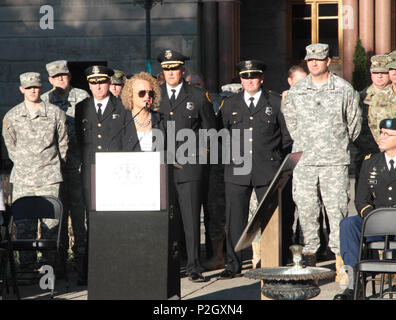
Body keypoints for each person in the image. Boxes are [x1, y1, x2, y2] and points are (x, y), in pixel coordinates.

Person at [282, 43, 361, 271]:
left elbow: (354, 125)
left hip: (334, 162)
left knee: (337, 211)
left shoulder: (344, 89)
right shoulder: (297, 91)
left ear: (328, 61)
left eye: (318, 59)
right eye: (310, 60)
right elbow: (292, 123)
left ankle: (341, 263)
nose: (314, 63)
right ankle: (309, 260)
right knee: (306, 211)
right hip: (305, 162)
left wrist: (334, 143)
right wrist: (309, 144)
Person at [219, 59, 292, 279]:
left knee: (271, 218)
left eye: (253, 76)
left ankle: (275, 260)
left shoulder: (276, 102)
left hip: (267, 168)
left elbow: (286, 138)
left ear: (261, 78)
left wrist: (277, 162)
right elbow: (221, 135)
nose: (249, 81)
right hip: (237, 169)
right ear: (240, 79)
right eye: (245, 77)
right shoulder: (230, 104)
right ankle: (234, 264)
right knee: (235, 219)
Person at [157, 48, 217, 282]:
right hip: (161, 166)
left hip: (190, 165)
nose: (171, 72)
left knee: (191, 218)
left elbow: (211, 130)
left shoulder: (198, 95)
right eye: (167, 68)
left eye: (175, 68)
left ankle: (193, 265)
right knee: (165, 218)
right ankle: (167, 265)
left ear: (183, 70)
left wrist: (200, 155)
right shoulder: (154, 96)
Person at [2, 72, 68, 282]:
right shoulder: (12, 116)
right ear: (21, 89)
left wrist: (52, 165)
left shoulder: (55, 113)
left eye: (36, 87)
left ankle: (48, 271)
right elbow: (10, 145)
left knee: (51, 227)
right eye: (28, 87)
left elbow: (63, 143)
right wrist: (25, 162)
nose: (32, 90)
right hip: (23, 179)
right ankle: (28, 271)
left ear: (41, 88)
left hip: (49, 177)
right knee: (24, 227)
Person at [74, 65, 127, 285]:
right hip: (91, 172)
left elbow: (126, 139)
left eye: (102, 82)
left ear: (109, 83)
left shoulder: (122, 106)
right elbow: (80, 140)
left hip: (115, 172)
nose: (98, 86)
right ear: (89, 85)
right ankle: (91, 269)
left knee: (115, 219)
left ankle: (116, 267)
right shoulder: (81, 108)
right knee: (92, 219)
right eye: (94, 83)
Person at [334, 118, 396, 300]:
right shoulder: (370, 162)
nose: (381, 137)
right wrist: (376, 220)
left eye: (387, 134)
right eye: (381, 132)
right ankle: (354, 285)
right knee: (348, 224)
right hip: (375, 223)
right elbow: (361, 200)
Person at [41, 60, 90, 277]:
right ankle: (56, 265)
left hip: (77, 165)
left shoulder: (82, 97)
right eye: (56, 76)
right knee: (55, 215)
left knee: (79, 216)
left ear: (69, 76)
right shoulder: (44, 100)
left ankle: (82, 262)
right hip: (53, 168)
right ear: (50, 80)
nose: (61, 79)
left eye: (64, 75)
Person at [354, 55, 389, 182]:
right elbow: (353, 127)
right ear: (371, 73)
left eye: (383, 73)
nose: (379, 76)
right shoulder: (359, 98)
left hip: (392, 155)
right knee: (364, 197)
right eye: (376, 72)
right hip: (366, 155)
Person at [119, 72, 165, 151]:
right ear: (131, 95)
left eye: (151, 93)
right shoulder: (120, 122)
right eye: (142, 93)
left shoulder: (164, 120)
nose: (147, 96)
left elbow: (171, 155)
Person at [368, 51, 396, 145]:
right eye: (391, 68)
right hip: (386, 153)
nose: (394, 72)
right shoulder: (378, 98)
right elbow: (373, 125)